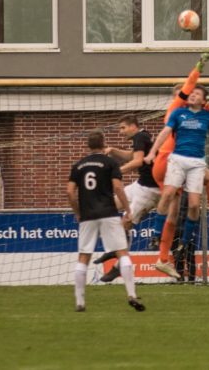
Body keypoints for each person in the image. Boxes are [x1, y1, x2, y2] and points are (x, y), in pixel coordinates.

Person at [145, 85, 209, 279]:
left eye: (196, 93)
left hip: (196, 163)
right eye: (190, 93)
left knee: (194, 205)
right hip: (174, 160)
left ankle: (181, 245)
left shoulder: (207, 116)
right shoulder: (177, 111)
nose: (191, 95)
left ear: (203, 100)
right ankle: (156, 234)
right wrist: (152, 152)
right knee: (169, 195)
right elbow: (164, 132)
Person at [67, 130, 144, 312]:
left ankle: (80, 302)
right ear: (103, 144)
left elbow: (70, 192)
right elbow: (118, 187)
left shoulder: (78, 166)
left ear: (88, 145)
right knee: (122, 253)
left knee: (83, 256)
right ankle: (131, 294)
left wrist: (78, 212)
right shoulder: (110, 163)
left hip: (88, 216)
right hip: (109, 213)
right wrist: (127, 209)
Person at [96, 115, 162, 282]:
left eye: (123, 128)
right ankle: (115, 249)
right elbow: (131, 156)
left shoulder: (140, 136)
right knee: (109, 206)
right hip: (140, 185)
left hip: (150, 190)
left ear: (133, 126)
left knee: (126, 221)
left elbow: (138, 162)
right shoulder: (142, 136)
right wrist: (113, 150)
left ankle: (119, 265)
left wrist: (115, 173)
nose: (121, 131)